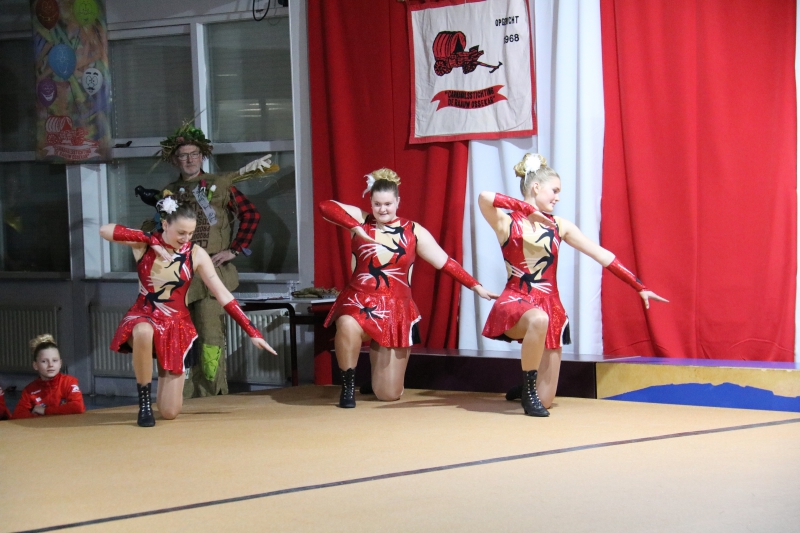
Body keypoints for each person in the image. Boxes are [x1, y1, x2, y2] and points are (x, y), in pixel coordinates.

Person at [479, 153, 668, 417]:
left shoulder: (559, 226)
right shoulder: (506, 222)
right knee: (538, 319)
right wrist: (528, 210)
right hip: (516, 301)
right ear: (536, 187)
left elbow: (601, 254)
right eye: (555, 190)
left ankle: (527, 389)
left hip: (550, 304)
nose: (558, 197)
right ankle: (530, 390)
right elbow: (485, 197)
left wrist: (638, 285)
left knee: (546, 401)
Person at [319, 169, 498, 408]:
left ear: (398, 202)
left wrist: (476, 286)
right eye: (377, 204)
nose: (383, 209)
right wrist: (355, 226)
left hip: (395, 310)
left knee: (388, 395)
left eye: (388, 204)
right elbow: (325, 206)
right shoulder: (362, 220)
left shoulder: (413, 231)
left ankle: (377, 379)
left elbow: (446, 262)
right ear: (370, 202)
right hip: (359, 302)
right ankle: (348, 386)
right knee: (347, 324)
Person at [101, 196, 277, 427]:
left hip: (176, 325)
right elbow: (105, 230)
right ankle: (144, 402)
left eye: (191, 233)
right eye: (181, 232)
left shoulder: (195, 253)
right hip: (145, 315)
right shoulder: (144, 245)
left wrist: (252, 331)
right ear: (165, 224)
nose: (186, 238)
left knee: (170, 412)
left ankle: (165, 375)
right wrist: (149, 238)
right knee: (143, 331)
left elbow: (223, 294)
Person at [153, 123, 275, 399]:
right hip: (178, 278)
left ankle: (211, 394)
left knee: (210, 337)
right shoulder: (168, 191)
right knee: (180, 337)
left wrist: (235, 249)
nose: (189, 160)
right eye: (183, 155)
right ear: (175, 159)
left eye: (194, 154)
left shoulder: (220, 186)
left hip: (211, 276)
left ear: (202, 155)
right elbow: (161, 229)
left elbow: (251, 215)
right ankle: (182, 395)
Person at [11, 334, 85, 419]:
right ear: (35, 365)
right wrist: (38, 418)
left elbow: (78, 407)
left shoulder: (69, 382)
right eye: (44, 361)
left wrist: (45, 411)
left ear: (60, 363)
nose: (50, 365)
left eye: (55, 360)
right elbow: (17, 415)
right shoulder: (29, 390)